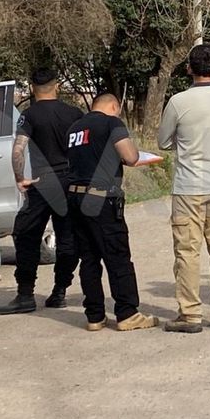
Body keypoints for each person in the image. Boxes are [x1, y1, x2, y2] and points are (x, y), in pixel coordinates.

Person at [156, 44, 210, 334]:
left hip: (189, 185)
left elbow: (164, 142)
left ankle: (190, 314)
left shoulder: (179, 102)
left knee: (187, 251)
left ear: (189, 69)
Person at [0, 68, 84, 315]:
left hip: (42, 181)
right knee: (68, 239)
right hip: (69, 181)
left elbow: (17, 150)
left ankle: (25, 294)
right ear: (56, 86)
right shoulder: (74, 114)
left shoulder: (29, 115)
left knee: (26, 235)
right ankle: (60, 291)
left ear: (33, 88)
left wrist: (19, 178)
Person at [66, 94, 156, 332]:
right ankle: (127, 313)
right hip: (101, 197)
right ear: (114, 107)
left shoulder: (75, 128)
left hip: (75, 196)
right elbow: (130, 156)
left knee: (89, 259)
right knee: (117, 256)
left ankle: (94, 315)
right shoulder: (111, 123)